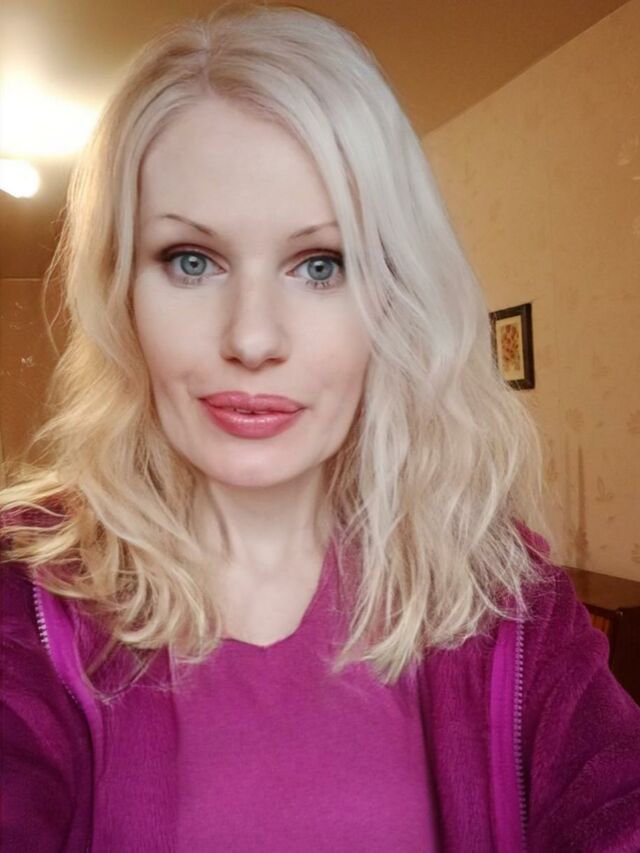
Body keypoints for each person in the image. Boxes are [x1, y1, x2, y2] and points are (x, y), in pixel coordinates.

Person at [1, 4, 639, 851]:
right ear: (121, 293)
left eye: (320, 264)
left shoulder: (506, 597)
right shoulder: (27, 595)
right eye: (191, 260)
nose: (252, 338)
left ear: (394, 298)